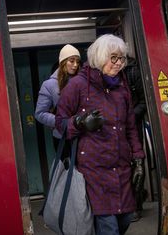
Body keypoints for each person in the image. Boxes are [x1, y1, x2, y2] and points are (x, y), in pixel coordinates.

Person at [55, 34, 145, 235]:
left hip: (121, 168)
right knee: (109, 227)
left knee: (125, 219)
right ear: (100, 57)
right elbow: (60, 122)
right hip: (94, 171)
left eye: (121, 58)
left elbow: (130, 126)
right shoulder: (78, 85)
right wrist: (79, 122)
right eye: (113, 58)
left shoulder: (122, 87)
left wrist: (138, 160)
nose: (119, 63)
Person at [35, 44, 81, 149]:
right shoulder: (49, 85)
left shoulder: (82, 82)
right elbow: (40, 113)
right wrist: (61, 121)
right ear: (63, 62)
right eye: (71, 61)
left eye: (77, 62)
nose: (75, 65)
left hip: (83, 136)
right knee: (67, 165)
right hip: (62, 137)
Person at [125, 56, 148, 222]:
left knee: (137, 164)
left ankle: (137, 205)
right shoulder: (103, 72)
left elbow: (144, 100)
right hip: (113, 127)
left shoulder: (133, 71)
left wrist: (130, 116)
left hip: (132, 125)